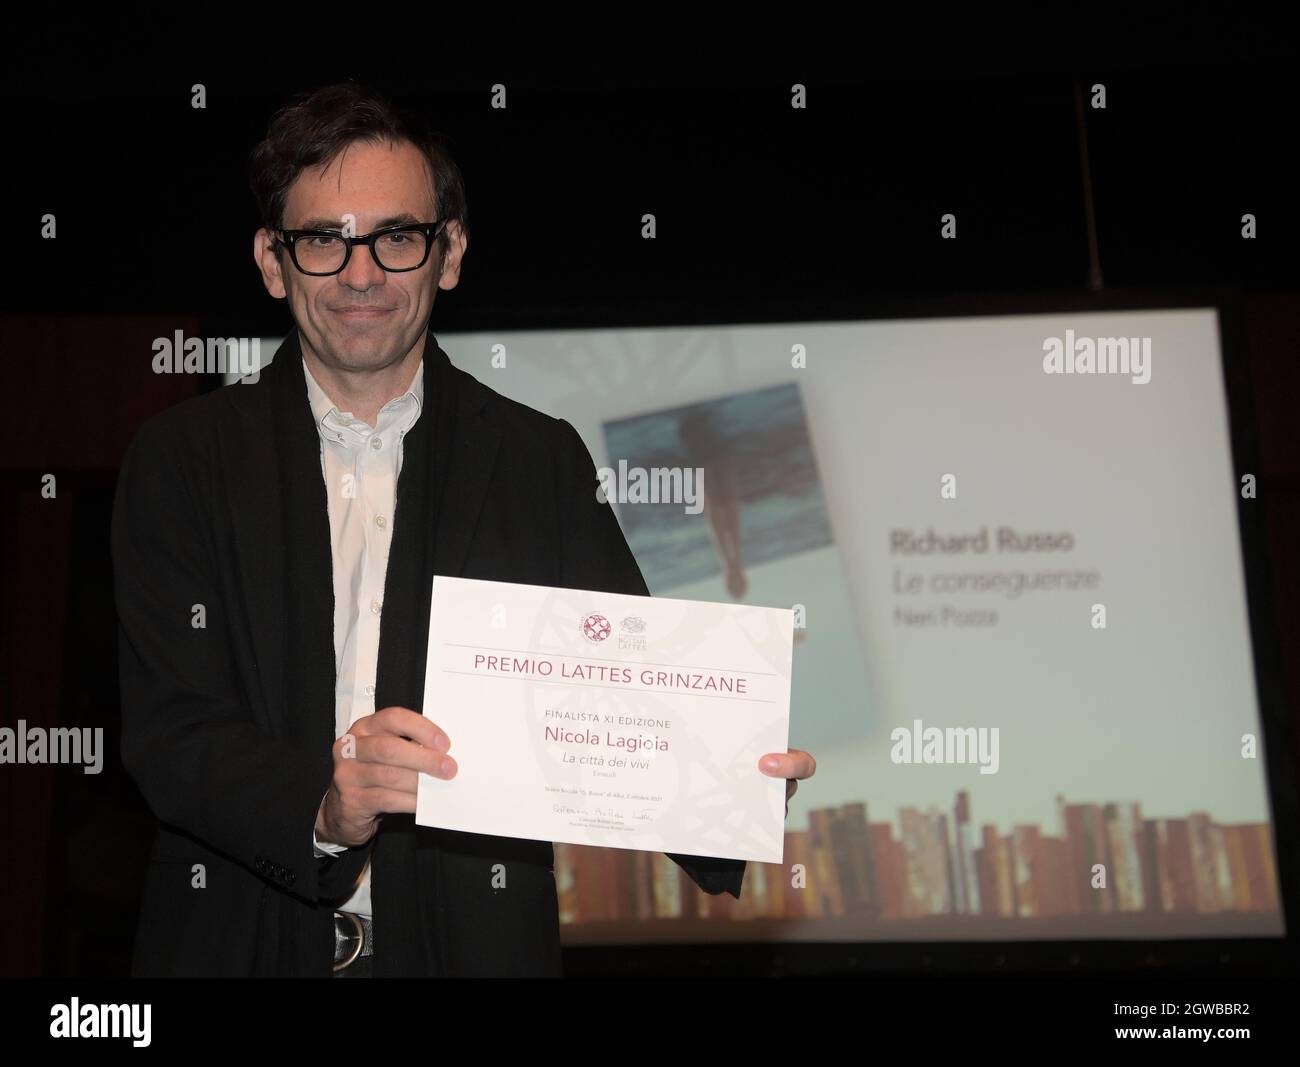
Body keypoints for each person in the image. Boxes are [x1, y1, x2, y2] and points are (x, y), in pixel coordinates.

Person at [111, 81, 816, 977]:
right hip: (235, 946)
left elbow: (627, 696)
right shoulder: (181, 462)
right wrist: (323, 807)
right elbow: (171, 732)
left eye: (395, 238)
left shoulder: (538, 460)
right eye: (324, 240)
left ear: (448, 254)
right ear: (271, 261)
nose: (359, 274)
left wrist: (733, 775)